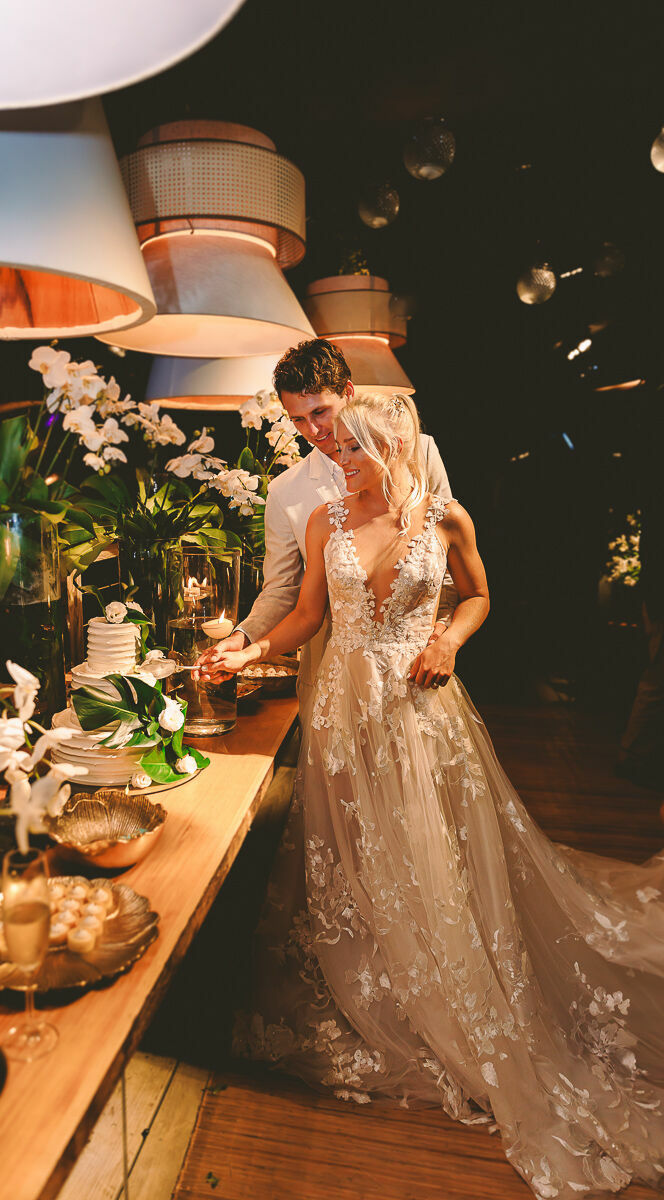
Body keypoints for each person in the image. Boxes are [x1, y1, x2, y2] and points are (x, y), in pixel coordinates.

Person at [202, 392, 664, 1198]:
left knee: (425, 851)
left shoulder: (446, 518)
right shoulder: (325, 523)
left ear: (390, 444)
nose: (340, 463)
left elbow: (480, 595)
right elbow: (309, 615)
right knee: (354, 851)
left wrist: (447, 637)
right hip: (344, 711)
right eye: (335, 449)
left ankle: (445, 985)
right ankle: (377, 979)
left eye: (352, 449)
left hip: (421, 713)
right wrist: (249, 651)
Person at [197, 338, 453, 720]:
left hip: (414, 669)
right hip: (330, 673)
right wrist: (241, 639)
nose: (313, 430)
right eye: (298, 419)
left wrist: (445, 640)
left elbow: (443, 562)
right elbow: (282, 589)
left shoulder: (419, 450)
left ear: (348, 393)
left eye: (320, 411)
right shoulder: (287, 489)